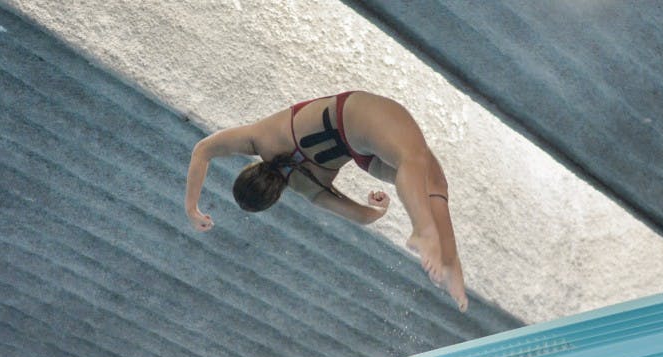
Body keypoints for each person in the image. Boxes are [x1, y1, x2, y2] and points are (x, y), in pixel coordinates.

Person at [185, 91, 468, 311]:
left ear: (275, 196)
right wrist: (192, 207)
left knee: (433, 181)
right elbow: (203, 151)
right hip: (355, 116)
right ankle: (424, 231)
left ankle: (450, 261)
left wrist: (379, 208)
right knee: (413, 158)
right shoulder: (260, 138)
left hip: (361, 154)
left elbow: (362, 217)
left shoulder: (306, 188)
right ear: (249, 169)